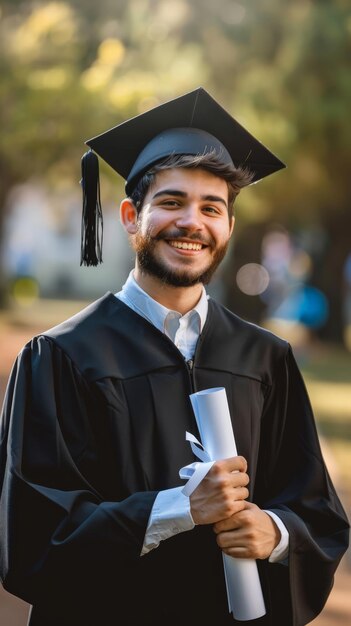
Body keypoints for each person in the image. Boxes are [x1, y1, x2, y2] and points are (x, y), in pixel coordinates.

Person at [0, 88, 349, 626]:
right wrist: (179, 509)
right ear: (130, 216)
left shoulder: (265, 359)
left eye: (212, 208)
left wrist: (276, 534)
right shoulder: (59, 357)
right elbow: (31, 540)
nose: (193, 223)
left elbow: (316, 514)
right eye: (171, 202)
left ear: (229, 227)